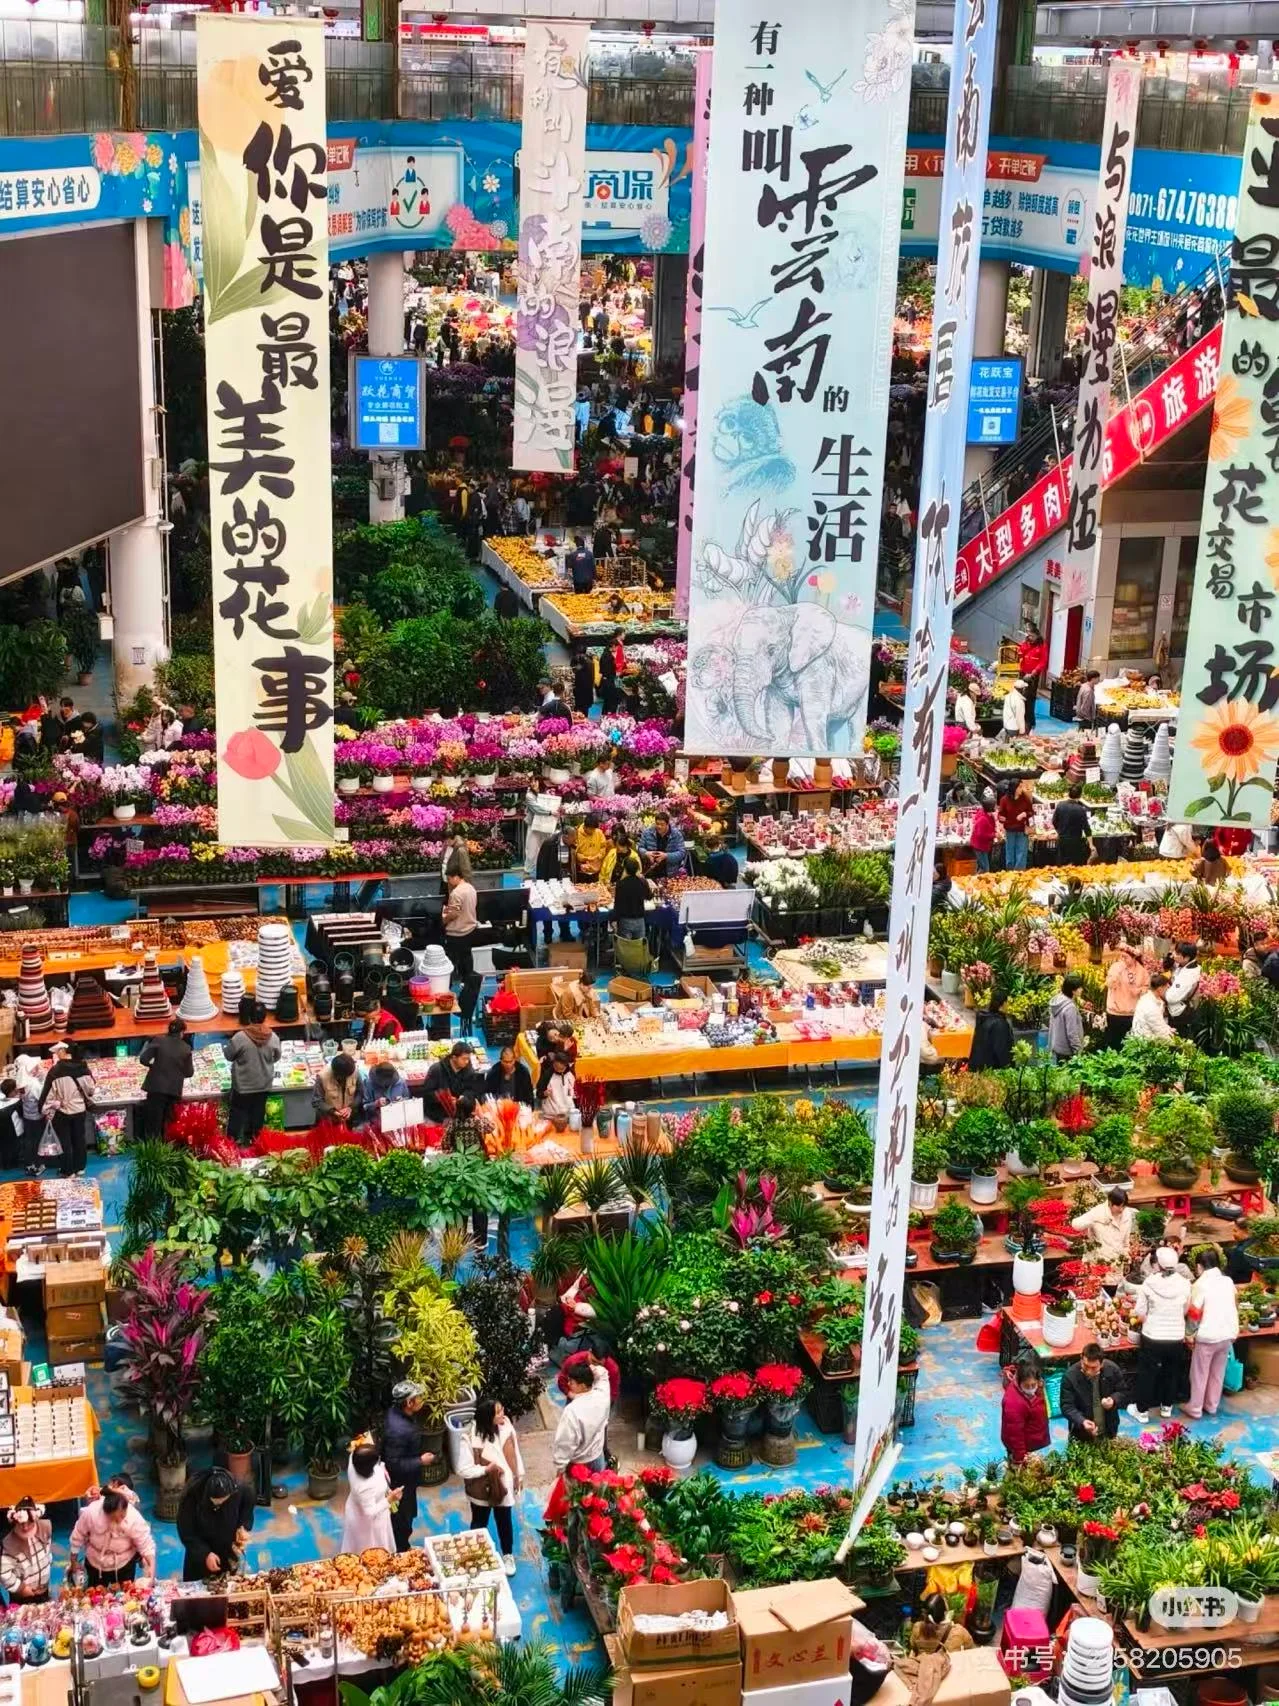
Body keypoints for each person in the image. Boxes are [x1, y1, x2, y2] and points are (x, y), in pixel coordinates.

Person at [457, 1398, 524, 1577]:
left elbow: (515, 1453)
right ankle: (475, 1555)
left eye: (502, 1409)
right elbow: (463, 1469)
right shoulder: (470, 1438)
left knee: (504, 1521)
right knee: (479, 1521)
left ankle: (507, 1555)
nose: (503, 1414)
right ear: (488, 1417)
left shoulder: (506, 1427)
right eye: (498, 1412)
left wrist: (518, 1475)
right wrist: (485, 1469)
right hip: (481, 1488)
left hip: (503, 1486)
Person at [1128, 1247, 1192, 1421]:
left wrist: (1149, 1318)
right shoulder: (1185, 1284)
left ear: (1158, 1264)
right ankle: (1166, 1407)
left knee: (1147, 1374)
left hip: (1152, 1335)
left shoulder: (1149, 1283)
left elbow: (1140, 1312)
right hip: (1176, 1336)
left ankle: (1142, 1411)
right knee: (1171, 1372)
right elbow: (1185, 1309)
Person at [1185, 1246, 1240, 1421]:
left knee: (1200, 1373)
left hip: (1208, 1335)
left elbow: (1194, 1313)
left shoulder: (1200, 1285)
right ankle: (1212, 1405)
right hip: (1227, 1334)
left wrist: (1189, 1334)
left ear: (1199, 1266)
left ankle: (1195, 1408)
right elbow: (1235, 1304)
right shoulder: (1228, 1281)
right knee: (1218, 1372)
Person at [382, 1382, 437, 1552]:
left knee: (402, 1518)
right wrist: (420, 1461)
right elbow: (394, 1463)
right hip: (400, 1485)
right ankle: (402, 1552)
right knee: (402, 1521)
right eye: (418, 1397)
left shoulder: (395, 1413)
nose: (421, 1400)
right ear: (408, 1403)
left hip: (405, 1481)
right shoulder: (399, 1430)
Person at [176, 1466, 254, 1583]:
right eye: (216, 1502)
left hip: (227, 1548)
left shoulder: (239, 1489)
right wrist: (204, 1554)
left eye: (224, 1501)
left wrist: (243, 1528)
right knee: (199, 1588)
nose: (220, 1504)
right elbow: (187, 1533)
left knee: (228, 1584)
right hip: (201, 1551)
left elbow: (246, 1510)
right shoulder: (192, 1497)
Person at [68, 1489, 156, 1588]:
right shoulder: (91, 1513)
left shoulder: (134, 1518)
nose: (117, 1522)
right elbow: (78, 1536)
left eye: (122, 1517)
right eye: (113, 1518)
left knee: (126, 1594)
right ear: (105, 1512)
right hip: (95, 1563)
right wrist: (73, 1561)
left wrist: (151, 1572)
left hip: (124, 1564)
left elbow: (146, 1545)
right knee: (95, 1593)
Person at [223, 1004, 280, 1144]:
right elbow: (277, 1057)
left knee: (237, 1113)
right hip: (263, 1084)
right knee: (258, 1114)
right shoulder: (273, 1037)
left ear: (249, 1017)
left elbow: (228, 1055)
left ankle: (232, 1143)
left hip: (243, 1086)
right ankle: (255, 1142)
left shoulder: (240, 1038)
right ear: (265, 1017)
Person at [38, 1042, 94, 1179]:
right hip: (80, 1110)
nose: (56, 1054)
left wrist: (43, 1108)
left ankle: (68, 1171)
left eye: (58, 1051)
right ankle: (80, 1168)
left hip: (63, 1112)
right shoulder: (83, 1067)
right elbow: (91, 1090)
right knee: (79, 1139)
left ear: (63, 1051)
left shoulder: (55, 1071)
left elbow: (47, 1095)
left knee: (65, 1142)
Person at [551, 1357, 612, 1476]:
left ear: (583, 1386)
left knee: (578, 1489)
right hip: (597, 1456)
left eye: (572, 1382)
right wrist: (589, 1370)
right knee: (599, 1487)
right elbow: (603, 1374)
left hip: (579, 1465)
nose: (568, 1384)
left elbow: (565, 1443)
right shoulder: (602, 1395)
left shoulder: (572, 1411)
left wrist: (560, 1467)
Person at [138, 1018, 193, 1141]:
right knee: (169, 1124)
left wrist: (154, 1066)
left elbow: (143, 1059)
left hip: (155, 1088)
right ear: (182, 1032)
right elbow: (189, 1072)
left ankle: (152, 1149)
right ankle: (167, 1148)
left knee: (153, 1124)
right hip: (173, 1090)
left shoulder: (158, 1040)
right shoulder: (186, 1048)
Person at [341, 1438, 397, 1556]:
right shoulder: (365, 1487)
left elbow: (355, 1450)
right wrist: (390, 1499)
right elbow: (370, 1512)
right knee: (369, 1550)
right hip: (368, 1522)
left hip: (356, 1509)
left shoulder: (353, 1460)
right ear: (370, 1465)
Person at [1060, 1343, 1123, 1443]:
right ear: (1081, 1358)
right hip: (1081, 1432)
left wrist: (1113, 1400)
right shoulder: (1070, 1377)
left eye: (1093, 1368)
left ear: (1102, 1364)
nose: (1089, 1371)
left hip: (1109, 1428)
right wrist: (1082, 1421)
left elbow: (1122, 1391)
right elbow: (1067, 1406)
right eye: (1085, 1366)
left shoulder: (1112, 1370)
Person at [0, 1499, 53, 1602]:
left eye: (29, 1523)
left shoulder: (45, 1528)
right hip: (22, 1596)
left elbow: (47, 1549)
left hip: (43, 1590)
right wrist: (21, 1588)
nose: (25, 1527)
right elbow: (3, 1572)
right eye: (21, 1524)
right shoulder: (10, 1544)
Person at [1071, 1187, 1135, 1269]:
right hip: (1098, 1263)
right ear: (1110, 1203)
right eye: (1118, 1206)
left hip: (1116, 1264)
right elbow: (1075, 1224)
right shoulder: (1098, 1212)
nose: (1121, 1209)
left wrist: (1126, 1259)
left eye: (1123, 1206)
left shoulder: (1127, 1215)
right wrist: (1093, 1220)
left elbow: (1125, 1242)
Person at [1000, 1358, 1050, 1464]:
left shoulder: (1036, 1388)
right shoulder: (1014, 1403)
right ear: (1019, 1381)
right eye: (1027, 1386)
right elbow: (1015, 1433)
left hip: (1032, 1441)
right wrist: (1019, 1457)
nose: (1031, 1388)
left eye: (1033, 1385)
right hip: (1022, 1447)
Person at [422, 1040, 481, 1122]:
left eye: (468, 1059)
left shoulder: (469, 1070)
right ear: (454, 1057)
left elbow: (472, 1089)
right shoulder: (437, 1069)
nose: (466, 1062)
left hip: (460, 1115)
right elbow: (427, 1093)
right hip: (439, 1115)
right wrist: (445, 1098)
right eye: (464, 1059)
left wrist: (464, 1096)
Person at [1105, 943, 1149, 1049]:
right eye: (1122, 956)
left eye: (1126, 957)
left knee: (1129, 1044)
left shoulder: (1142, 971)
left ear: (1134, 958)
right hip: (1115, 1012)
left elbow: (1147, 987)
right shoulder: (1116, 967)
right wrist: (1117, 974)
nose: (1123, 959)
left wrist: (1139, 991)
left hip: (1132, 1013)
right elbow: (1109, 984)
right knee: (1115, 1043)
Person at [443, 867, 479, 984]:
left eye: (449, 879)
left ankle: (449, 984)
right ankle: (469, 981)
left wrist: (443, 920)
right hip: (470, 929)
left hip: (457, 933)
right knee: (467, 957)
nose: (448, 882)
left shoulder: (456, 893)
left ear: (456, 877)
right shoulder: (471, 888)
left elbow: (454, 914)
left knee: (451, 961)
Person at [968, 988, 1014, 1070]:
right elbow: (1002, 1051)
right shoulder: (999, 1024)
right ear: (1003, 1003)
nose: (1009, 1006)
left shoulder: (984, 1018)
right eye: (1008, 1002)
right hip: (990, 1070)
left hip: (977, 1066)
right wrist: (1009, 1068)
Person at [355, 1059, 409, 1127]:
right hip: (376, 1122)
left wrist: (402, 1101)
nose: (387, 1086)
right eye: (385, 1084)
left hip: (398, 1120)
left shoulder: (400, 1082)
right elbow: (364, 1107)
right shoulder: (368, 1084)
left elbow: (407, 1099)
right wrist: (376, 1104)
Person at [612, 855, 652, 942]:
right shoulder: (642, 882)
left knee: (625, 947)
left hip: (625, 920)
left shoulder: (621, 884)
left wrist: (613, 920)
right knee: (638, 946)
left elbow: (617, 904)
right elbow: (649, 896)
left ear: (625, 869)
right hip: (640, 920)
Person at [312, 1051, 359, 1122]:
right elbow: (316, 1101)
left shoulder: (354, 1072)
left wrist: (350, 1108)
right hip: (327, 1120)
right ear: (336, 1074)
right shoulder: (322, 1077)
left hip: (348, 1118)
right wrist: (332, 1111)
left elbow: (360, 1093)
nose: (346, 1079)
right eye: (343, 1077)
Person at [1052, 784, 1092, 867]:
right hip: (1076, 841)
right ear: (1080, 795)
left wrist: (1059, 831)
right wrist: (1091, 844)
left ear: (1068, 793)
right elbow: (1086, 828)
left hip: (1062, 840)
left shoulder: (1060, 805)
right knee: (1075, 866)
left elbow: (1054, 821)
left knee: (1062, 865)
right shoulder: (1081, 809)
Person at [1048, 974, 1086, 1061]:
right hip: (1067, 1051)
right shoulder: (1070, 1007)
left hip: (1059, 1048)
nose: (1082, 990)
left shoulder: (1059, 1001)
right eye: (1080, 988)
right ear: (1073, 990)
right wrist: (1078, 1051)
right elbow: (1072, 1033)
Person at [638, 811, 687, 877]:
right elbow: (640, 848)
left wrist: (666, 856)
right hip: (650, 871)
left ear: (667, 824)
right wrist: (646, 853)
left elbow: (682, 853)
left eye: (662, 824)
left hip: (670, 873)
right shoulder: (647, 833)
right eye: (657, 824)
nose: (659, 826)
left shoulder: (676, 835)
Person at [1166, 942, 1201, 1033]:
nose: (1173, 955)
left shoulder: (1188, 975)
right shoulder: (1184, 966)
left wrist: (1162, 991)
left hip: (1181, 1015)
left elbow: (1171, 997)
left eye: (1177, 954)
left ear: (1187, 958)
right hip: (1180, 1011)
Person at [998, 781, 1032, 872]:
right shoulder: (1004, 800)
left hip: (1022, 830)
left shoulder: (1025, 798)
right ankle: (1010, 873)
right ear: (1014, 788)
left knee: (1021, 853)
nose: (1022, 789)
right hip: (1009, 830)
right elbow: (1000, 814)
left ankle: (1019, 873)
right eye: (1020, 787)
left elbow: (1031, 812)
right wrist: (1001, 819)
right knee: (1010, 853)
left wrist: (1025, 814)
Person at [1132, 972, 1177, 1042]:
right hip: (1146, 1042)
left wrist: (1168, 1029)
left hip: (1146, 1037)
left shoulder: (1148, 998)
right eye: (1166, 988)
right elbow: (1160, 1031)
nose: (1167, 991)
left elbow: (1159, 1024)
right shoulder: (1151, 1006)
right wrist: (1174, 1041)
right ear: (1160, 989)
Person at [1018, 626, 1047, 730]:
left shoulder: (1042, 645)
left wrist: (1034, 672)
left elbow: (1043, 661)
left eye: (1032, 636)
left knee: (1029, 698)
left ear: (1037, 635)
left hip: (1033, 675)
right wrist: (1025, 643)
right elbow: (1021, 653)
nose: (1030, 637)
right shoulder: (1026, 643)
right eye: (1029, 635)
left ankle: (1030, 721)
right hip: (1023, 672)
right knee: (1021, 696)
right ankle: (1022, 718)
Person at [539, 1052, 577, 1123]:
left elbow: (575, 1093)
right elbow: (539, 1093)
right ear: (553, 1063)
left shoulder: (570, 1074)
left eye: (561, 1068)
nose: (558, 1070)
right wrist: (544, 1093)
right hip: (551, 1116)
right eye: (556, 1067)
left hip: (568, 1115)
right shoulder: (547, 1075)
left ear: (566, 1065)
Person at [598, 630, 626, 714]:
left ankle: (605, 715)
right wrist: (616, 672)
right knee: (612, 700)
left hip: (606, 680)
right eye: (616, 648)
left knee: (607, 701)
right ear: (613, 646)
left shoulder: (605, 654)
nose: (617, 650)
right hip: (609, 681)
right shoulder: (608, 656)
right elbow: (611, 670)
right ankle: (610, 715)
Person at [969, 790, 997, 873]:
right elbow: (981, 834)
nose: (996, 807)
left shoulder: (988, 815)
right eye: (995, 805)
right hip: (980, 846)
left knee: (981, 866)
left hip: (983, 845)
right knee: (985, 868)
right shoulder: (983, 819)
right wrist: (994, 835)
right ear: (991, 807)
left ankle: (977, 877)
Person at [573, 813, 607, 880]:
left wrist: (598, 856)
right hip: (582, 868)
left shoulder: (599, 833)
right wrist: (585, 859)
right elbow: (575, 851)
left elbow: (603, 847)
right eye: (591, 829)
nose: (593, 831)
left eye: (594, 829)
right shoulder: (577, 834)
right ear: (585, 827)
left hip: (596, 868)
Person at [571, 648, 596, 716]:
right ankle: (584, 719)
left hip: (580, 688)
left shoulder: (580, 661)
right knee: (585, 708)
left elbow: (575, 670)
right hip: (588, 688)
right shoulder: (591, 661)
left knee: (578, 707)